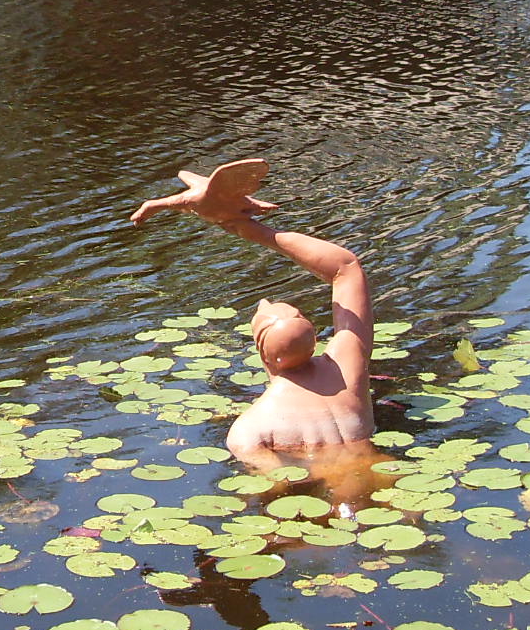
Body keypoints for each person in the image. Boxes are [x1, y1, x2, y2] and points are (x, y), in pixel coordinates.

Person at [129, 160, 374, 462]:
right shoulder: (347, 367)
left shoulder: (250, 430)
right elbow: (345, 268)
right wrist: (256, 231)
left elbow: (278, 485)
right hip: (386, 477)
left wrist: (231, 222)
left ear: (264, 356)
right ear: (313, 339)